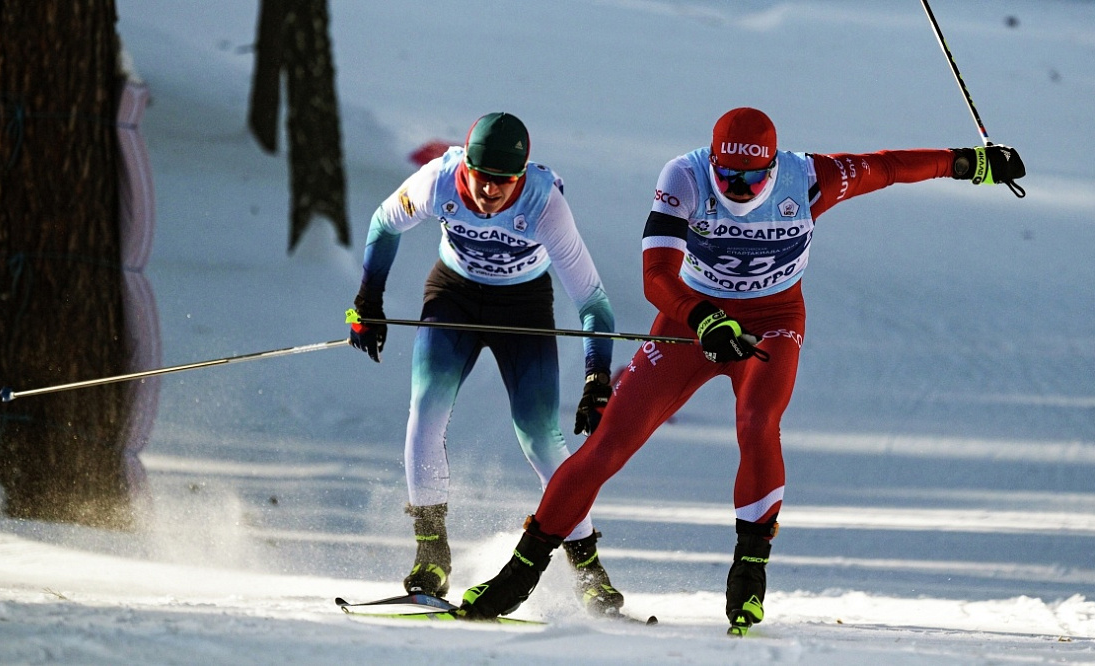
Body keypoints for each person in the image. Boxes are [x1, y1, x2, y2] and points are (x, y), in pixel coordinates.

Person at [454, 107, 1026, 634]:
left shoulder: (809, 178)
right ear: (712, 161)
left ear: (774, 167)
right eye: (727, 177)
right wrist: (701, 316)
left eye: (752, 180)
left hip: (772, 318)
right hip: (688, 317)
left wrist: (969, 163)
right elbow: (656, 275)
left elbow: (887, 168)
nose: (737, 190)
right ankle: (519, 576)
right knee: (608, 446)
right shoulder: (685, 176)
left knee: (757, 424)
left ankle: (749, 578)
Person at [348, 112, 625, 615]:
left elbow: (594, 302)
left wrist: (597, 376)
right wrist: (368, 301)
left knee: (541, 438)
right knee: (426, 411)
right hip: (453, 295)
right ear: (466, 167)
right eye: (481, 179)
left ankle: (588, 569)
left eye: (504, 183)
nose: (490, 193)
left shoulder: (544, 203)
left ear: (520, 177)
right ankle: (431, 553)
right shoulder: (437, 180)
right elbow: (383, 223)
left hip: (523, 307)